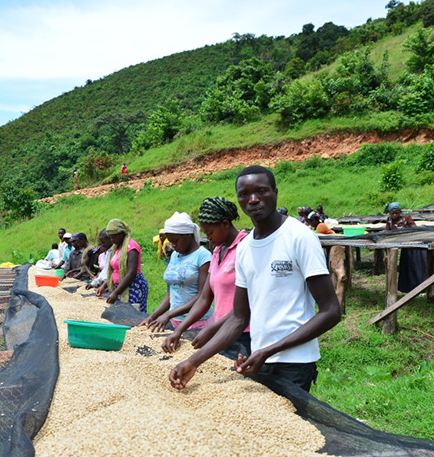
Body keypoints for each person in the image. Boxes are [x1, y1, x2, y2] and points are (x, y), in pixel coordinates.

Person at [169, 165, 341, 393]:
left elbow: (331, 311)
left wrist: (269, 350)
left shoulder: (299, 237)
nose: (253, 199)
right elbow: (239, 318)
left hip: (294, 362)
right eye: (244, 195)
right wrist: (193, 361)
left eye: (261, 191)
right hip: (258, 358)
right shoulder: (246, 248)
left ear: (275, 192)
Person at [162, 197, 250, 361]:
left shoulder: (246, 248)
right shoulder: (217, 250)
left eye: (210, 232)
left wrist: (211, 329)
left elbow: (248, 304)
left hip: (244, 332)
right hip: (222, 331)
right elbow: (204, 298)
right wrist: (179, 330)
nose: (207, 237)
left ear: (225, 224)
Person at [140, 212, 212, 333]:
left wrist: (168, 315)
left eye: (175, 241)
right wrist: (151, 317)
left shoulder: (203, 256)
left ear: (188, 235)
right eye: (170, 241)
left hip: (197, 322)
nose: (173, 245)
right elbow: (171, 293)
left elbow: (202, 296)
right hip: (176, 321)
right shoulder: (175, 255)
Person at [385, 202, 434, 293]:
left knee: (421, 267)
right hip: (404, 248)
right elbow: (386, 232)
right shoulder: (389, 221)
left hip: (415, 246)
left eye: (396, 213)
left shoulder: (406, 218)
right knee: (408, 269)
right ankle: (410, 289)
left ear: (400, 212)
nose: (394, 215)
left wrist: (405, 232)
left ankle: (430, 288)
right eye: (392, 213)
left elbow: (414, 229)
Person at [95, 219, 148, 312]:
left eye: (114, 237)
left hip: (132, 287)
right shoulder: (117, 247)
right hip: (120, 287)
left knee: (132, 315)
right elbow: (114, 271)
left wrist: (116, 292)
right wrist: (104, 286)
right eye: (111, 238)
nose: (112, 240)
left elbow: (131, 273)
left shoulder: (131, 247)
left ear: (121, 234)